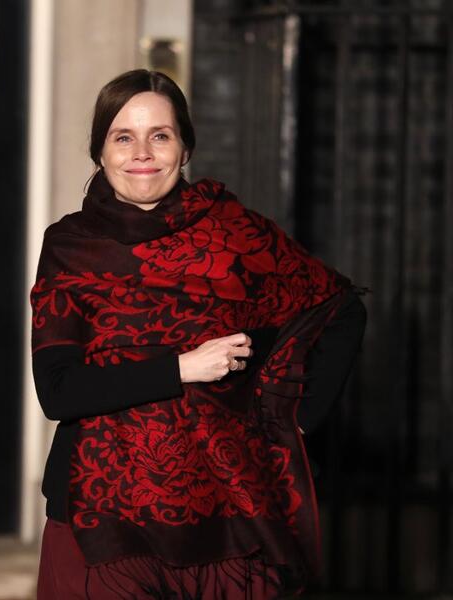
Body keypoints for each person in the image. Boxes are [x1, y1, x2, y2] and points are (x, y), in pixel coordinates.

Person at [30, 69, 366, 599]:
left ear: (185, 148)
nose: (142, 152)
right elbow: (59, 390)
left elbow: (339, 307)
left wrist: (294, 420)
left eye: (160, 135)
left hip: (226, 514)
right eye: (123, 137)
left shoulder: (239, 235)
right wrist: (183, 368)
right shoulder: (70, 246)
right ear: (100, 152)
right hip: (99, 519)